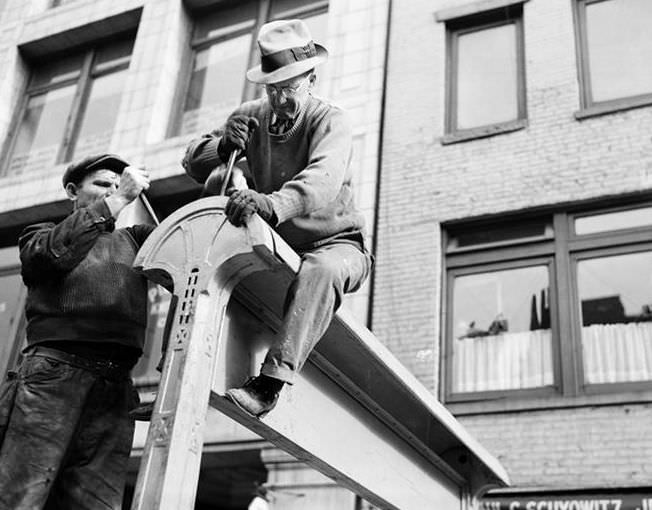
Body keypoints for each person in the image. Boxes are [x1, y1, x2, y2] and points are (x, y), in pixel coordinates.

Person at [182, 19, 373, 418]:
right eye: (273, 89)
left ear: (312, 79)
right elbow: (193, 163)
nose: (281, 99)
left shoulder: (331, 120)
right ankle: (179, 368)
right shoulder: (252, 115)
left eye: (291, 88)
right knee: (205, 259)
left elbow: (322, 181)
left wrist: (271, 204)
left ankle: (270, 383)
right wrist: (221, 146)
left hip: (336, 244)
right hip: (276, 243)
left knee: (323, 270)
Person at [0, 154, 153, 509]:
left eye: (118, 185)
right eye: (102, 185)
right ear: (72, 191)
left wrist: (223, 175)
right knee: (20, 496)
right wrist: (115, 203)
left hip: (115, 388)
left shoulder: (136, 239)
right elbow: (50, 256)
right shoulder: (38, 234)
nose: (113, 190)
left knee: (96, 503)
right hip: (53, 377)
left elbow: (191, 238)